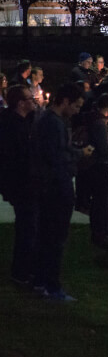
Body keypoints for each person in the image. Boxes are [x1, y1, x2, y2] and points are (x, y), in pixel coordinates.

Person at [31, 83, 93, 300]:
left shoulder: (49, 120)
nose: (77, 110)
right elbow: (55, 157)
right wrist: (78, 156)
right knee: (55, 237)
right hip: (56, 187)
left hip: (50, 185)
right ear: (65, 101)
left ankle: (39, 281)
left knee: (46, 236)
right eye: (75, 106)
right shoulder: (53, 123)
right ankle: (52, 286)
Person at [0, 85, 37, 285]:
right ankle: (22, 271)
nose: (34, 101)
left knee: (27, 226)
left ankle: (24, 268)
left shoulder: (23, 121)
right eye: (30, 99)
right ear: (21, 103)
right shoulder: (13, 126)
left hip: (21, 183)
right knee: (27, 227)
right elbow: (17, 158)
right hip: (21, 184)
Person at [85, 93, 108, 247]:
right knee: (100, 201)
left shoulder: (100, 122)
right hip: (102, 165)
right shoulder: (101, 123)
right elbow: (105, 148)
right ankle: (99, 233)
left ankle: (100, 230)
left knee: (101, 201)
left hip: (101, 165)